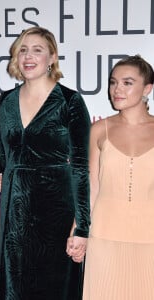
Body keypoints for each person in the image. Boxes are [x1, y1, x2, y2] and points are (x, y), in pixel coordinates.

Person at [0, 26, 91, 299]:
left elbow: (81, 168)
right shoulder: (6, 101)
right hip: (14, 216)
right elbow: (4, 157)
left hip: (56, 215)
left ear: (52, 57)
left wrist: (82, 226)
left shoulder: (69, 101)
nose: (28, 56)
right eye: (23, 50)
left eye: (37, 50)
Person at [83, 55, 154, 299]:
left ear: (147, 88)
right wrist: (79, 230)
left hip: (150, 238)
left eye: (127, 82)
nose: (117, 89)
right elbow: (91, 186)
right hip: (104, 237)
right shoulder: (99, 130)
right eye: (114, 82)